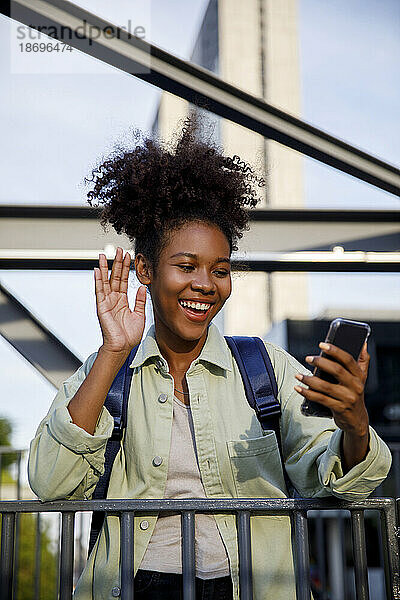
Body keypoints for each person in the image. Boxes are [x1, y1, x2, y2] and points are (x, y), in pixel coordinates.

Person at [28, 117, 391, 600]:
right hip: (134, 588)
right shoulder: (110, 373)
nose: (205, 284)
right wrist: (114, 352)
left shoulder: (264, 368)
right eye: (186, 266)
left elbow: (338, 481)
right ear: (145, 270)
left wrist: (355, 424)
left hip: (247, 589)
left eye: (220, 270)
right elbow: (50, 482)